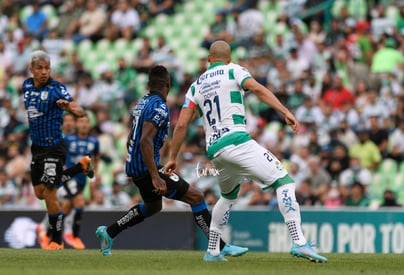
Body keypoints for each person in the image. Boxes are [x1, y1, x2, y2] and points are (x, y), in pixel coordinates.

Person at [165, 41, 327, 263]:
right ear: (229, 58)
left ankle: (212, 251)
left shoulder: (195, 86)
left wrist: (173, 157)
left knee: (228, 196)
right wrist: (284, 111)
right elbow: (257, 89)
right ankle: (299, 242)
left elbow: (182, 124)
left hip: (215, 151)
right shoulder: (234, 70)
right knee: (285, 182)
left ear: (208, 60)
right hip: (237, 141)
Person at [95, 65, 247, 257]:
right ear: (168, 84)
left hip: (137, 167)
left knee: (153, 206)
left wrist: (133, 165)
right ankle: (219, 247)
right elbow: (144, 140)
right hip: (146, 168)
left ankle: (109, 232)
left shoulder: (142, 103)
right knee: (196, 197)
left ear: (149, 84)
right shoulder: (159, 106)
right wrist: (154, 176)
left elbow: (131, 139)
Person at [23, 50, 93, 250]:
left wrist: (68, 108)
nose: (44, 72)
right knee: (40, 193)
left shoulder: (56, 89)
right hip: (36, 148)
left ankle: (56, 240)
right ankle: (81, 166)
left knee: (51, 192)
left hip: (53, 146)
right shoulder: (26, 85)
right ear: (32, 69)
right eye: (40, 68)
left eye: (47, 68)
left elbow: (79, 110)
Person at [62, 115, 99, 249]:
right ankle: (75, 237)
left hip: (82, 179)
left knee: (67, 206)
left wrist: (94, 175)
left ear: (89, 125)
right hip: (70, 177)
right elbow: (60, 154)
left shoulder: (94, 141)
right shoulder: (68, 139)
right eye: (81, 122)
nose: (84, 124)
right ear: (76, 124)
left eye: (86, 122)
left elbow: (96, 158)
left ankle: (51, 233)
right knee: (80, 202)